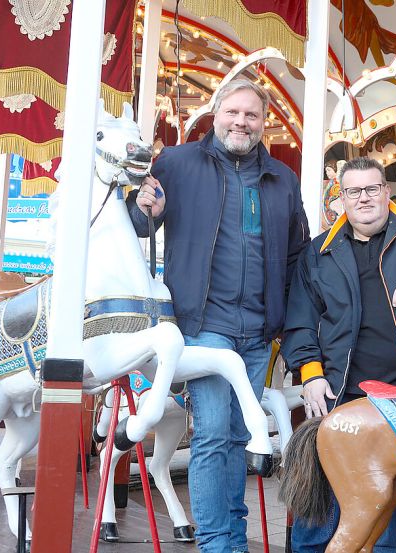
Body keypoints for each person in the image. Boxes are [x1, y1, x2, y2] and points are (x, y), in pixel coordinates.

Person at [128, 78, 310, 553]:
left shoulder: (281, 180)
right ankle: (217, 543)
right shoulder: (178, 163)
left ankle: (232, 534)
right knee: (211, 431)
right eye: (232, 112)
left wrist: (290, 329)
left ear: (263, 121)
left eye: (251, 115)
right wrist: (142, 207)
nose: (240, 122)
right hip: (203, 323)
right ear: (215, 112)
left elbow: (296, 256)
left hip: (257, 329)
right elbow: (138, 224)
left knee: (236, 433)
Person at [282, 156, 396, 553]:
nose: (364, 198)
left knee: (388, 518)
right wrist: (312, 375)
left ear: (386, 192)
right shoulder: (319, 252)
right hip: (342, 393)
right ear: (342, 198)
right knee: (320, 513)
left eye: (372, 189)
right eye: (354, 191)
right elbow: (300, 321)